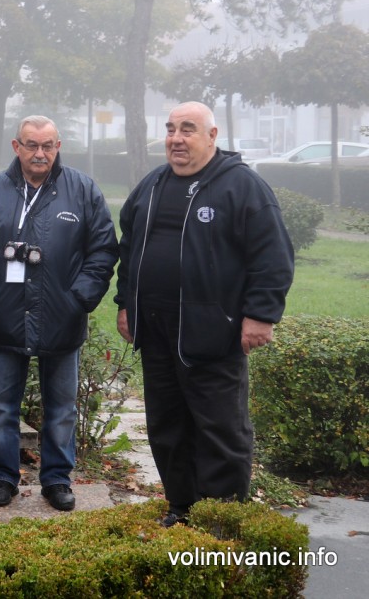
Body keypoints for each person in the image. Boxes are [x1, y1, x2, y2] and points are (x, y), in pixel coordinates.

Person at [115, 102, 293, 527]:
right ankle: (181, 507)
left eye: (187, 129)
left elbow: (272, 256)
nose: (176, 138)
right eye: (170, 129)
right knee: (167, 426)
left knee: (220, 430)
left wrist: (261, 315)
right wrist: (126, 304)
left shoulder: (242, 186)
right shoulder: (152, 185)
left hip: (213, 332)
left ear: (212, 136)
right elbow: (130, 249)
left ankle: (221, 518)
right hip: (156, 331)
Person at [0, 116, 117, 511]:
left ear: (58, 146)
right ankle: (3, 477)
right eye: (31, 145)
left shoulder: (82, 190)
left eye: (47, 145)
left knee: (62, 409)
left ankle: (56, 479)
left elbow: (103, 249)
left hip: (62, 317)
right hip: (6, 316)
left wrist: (79, 298)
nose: (40, 153)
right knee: (2, 408)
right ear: (16, 146)